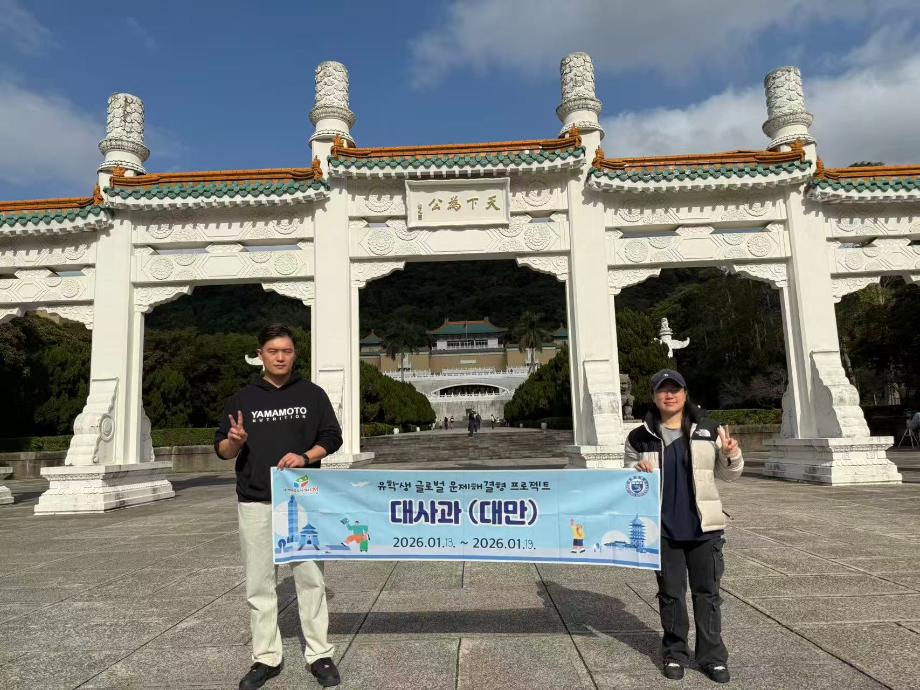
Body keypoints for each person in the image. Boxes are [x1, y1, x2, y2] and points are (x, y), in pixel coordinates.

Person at [215, 324, 343, 689]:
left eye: (286, 350)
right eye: (273, 351)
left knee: (310, 579)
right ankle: (266, 657)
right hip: (256, 499)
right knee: (259, 583)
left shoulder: (312, 394)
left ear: (295, 354)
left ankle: (319, 654)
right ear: (260, 355)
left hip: (303, 500)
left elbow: (332, 437)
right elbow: (222, 449)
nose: (280, 357)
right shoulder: (243, 398)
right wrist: (235, 441)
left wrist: (306, 456)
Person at [625, 369, 743, 685]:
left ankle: (712, 658)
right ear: (653, 397)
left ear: (685, 394)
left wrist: (731, 455)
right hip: (663, 530)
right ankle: (675, 653)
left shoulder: (708, 430)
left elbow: (730, 474)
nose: (669, 395)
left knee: (708, 594)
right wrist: (636, 470)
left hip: (704, 528)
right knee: (671, 595)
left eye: (675, 389)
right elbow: (627, 480)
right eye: (662, 390)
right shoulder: (639, 437)